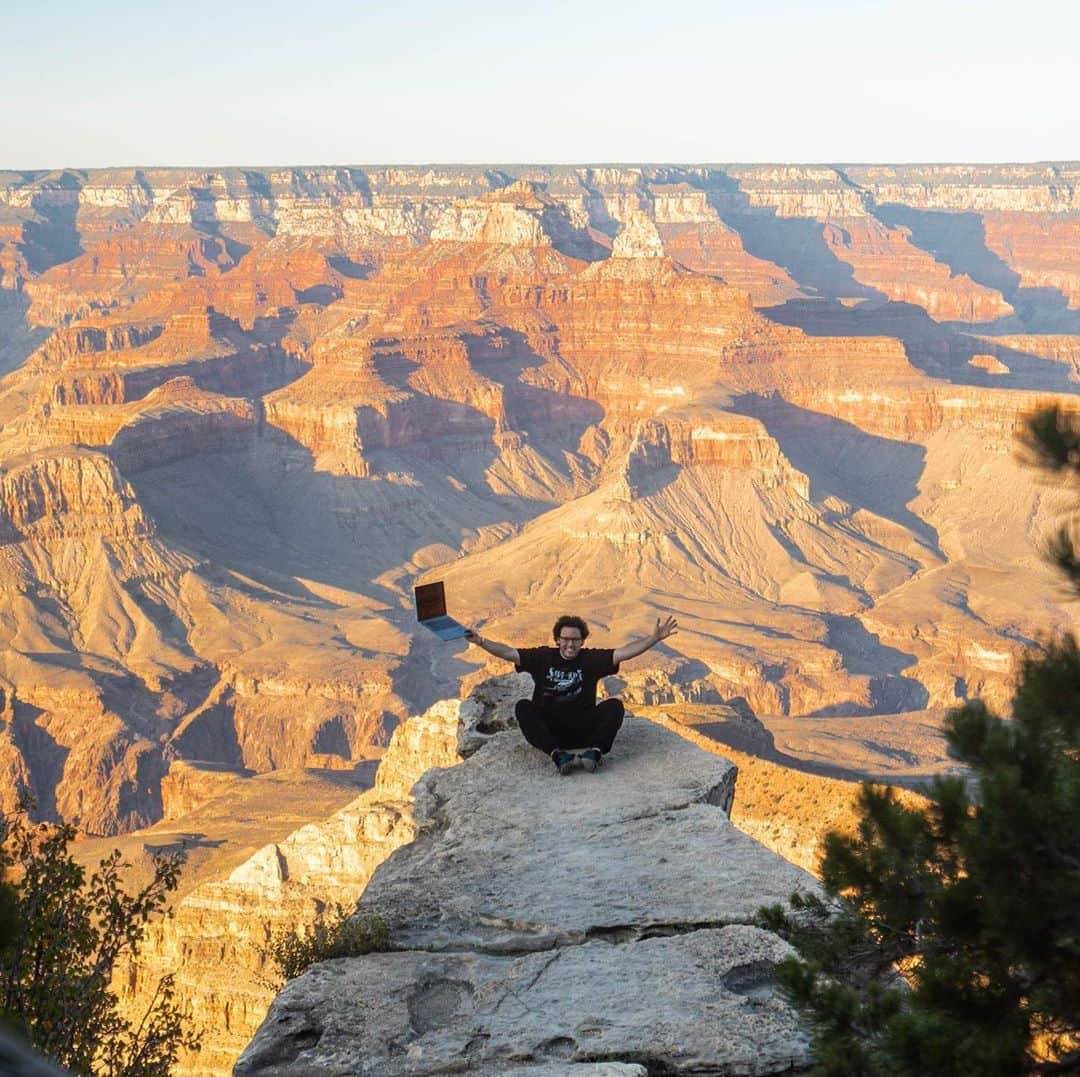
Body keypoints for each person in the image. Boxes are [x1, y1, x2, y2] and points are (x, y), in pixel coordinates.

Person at [464, 613, 678, 775]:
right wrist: (481, 642)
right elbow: (508, 653)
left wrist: (654, 638)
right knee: (523, 707)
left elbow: (625, 652)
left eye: (575, 640)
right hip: (551, 731)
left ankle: (594, 752)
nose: (570, 644)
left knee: (614, 706)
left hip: (583, 729)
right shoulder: (542, 657)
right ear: (557, 639)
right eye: (565, 639)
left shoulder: (590, 660)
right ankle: (557, 755)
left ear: (582, 641)